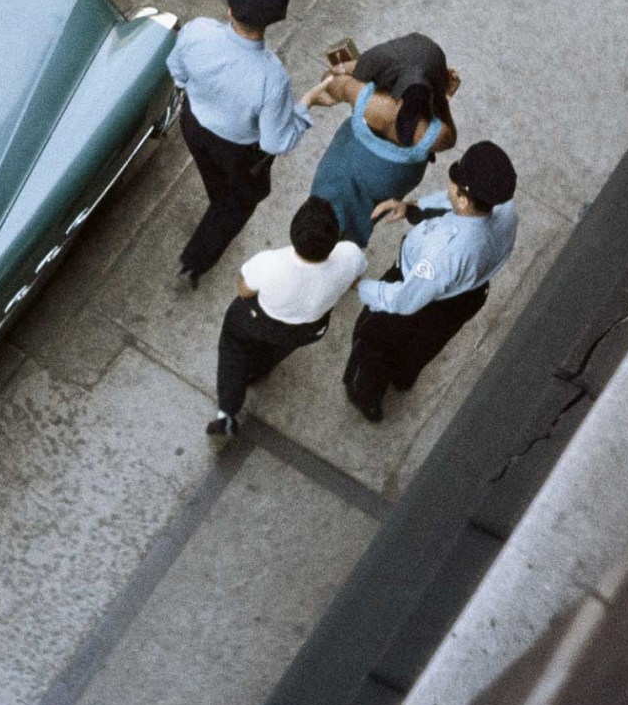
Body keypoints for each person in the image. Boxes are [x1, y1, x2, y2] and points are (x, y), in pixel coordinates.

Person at [167, 0, 336, 288]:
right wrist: (306, 105)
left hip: (193, 123)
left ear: (230, 7)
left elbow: (177, 70)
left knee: (214, 178)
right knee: (241, 199)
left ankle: (217, 200)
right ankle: (193, 263)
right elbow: (276, 142)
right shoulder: (272, 78)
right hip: (237, 150)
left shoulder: (197, 31)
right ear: (273, 20)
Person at [343, 140, 518, 422]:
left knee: (373, 340)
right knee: (423, 346)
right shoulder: (505, 208)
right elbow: (450, 206)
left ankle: (364, 394)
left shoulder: (444, 252)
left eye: (454, 183)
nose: (449, 184)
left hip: (422, 296)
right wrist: (413, 209)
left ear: (462, 199)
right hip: (466, 296)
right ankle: (403, 378)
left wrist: (358, 285)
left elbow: (402, 300)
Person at [207, 196, 366, 436]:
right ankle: (254, 372)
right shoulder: (350, 255)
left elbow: (244, 290)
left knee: (234, 346)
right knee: (277, 349)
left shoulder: (270, 262)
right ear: (334, 238)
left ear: (294, 230)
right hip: (307, 328)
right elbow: (356, 279)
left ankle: (227, 412)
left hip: (257, 319)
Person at [309, 70, 455, 248]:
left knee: (320, 215)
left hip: (340, 166)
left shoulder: (365, 96)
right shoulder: (435, 135)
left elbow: (329, 79)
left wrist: (354, 66)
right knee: (365, 215)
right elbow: (448, 133)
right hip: (391, 178)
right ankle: (347, 247)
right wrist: (443, 96)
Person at [338, 31, 460, 147]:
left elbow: (335, 81)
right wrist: (444, 99)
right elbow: (449, 139)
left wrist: (343, 69)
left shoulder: (363, 95)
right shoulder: (434, 134)